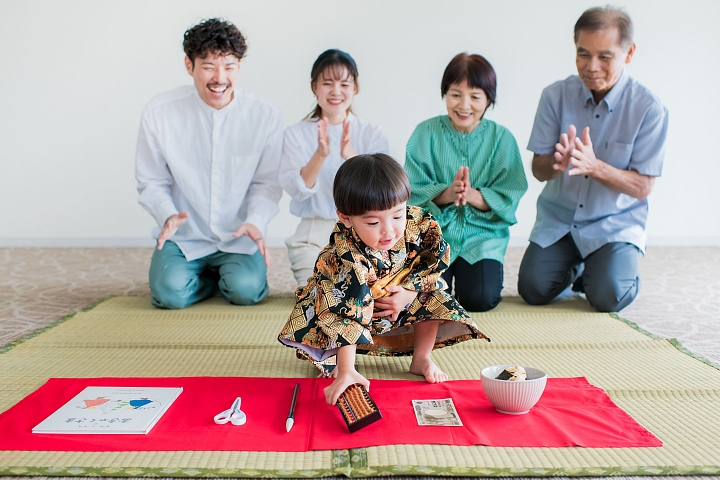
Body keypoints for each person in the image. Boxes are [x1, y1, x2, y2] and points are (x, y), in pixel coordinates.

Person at [277, 154, 488, 405]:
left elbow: (436, 260)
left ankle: (421, 358)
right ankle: (342, 360)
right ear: (346, 218)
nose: (389, 230)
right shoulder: (343, 252)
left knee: (435, 294)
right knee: (330, 327)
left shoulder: (418, 222)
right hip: (347, 309)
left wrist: (409, 292)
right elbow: (345, 307)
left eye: (397, 216)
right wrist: (347, 371)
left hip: (397, 299)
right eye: (374, 222)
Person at [517, 6, 668, 312]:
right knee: (533, 290)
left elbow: (643, 187)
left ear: (628, 53)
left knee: (609, 296)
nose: (591, 66)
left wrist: (595, 167)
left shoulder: (650, 109)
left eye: (605, 56)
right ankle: (582, 268)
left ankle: (613, 266)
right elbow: (538, 170)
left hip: (615, 224)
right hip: (559, 222)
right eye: (583, 53)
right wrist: (555, 165)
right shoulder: (554, 96)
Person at [135, 18, 283, 309]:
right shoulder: (160, 112)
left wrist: (256, 221)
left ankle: (230, 278)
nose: (220, 77)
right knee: (168, 295)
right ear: (189, 65)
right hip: (184, 236)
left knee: (247, 292)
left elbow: (267, 183)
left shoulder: (264, 115)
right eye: (208, 66)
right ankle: (208, 283)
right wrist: (167, 215)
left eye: (228, 66)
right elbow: (151, 180)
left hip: (238, 233)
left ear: (239, 66)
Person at [405, 53, 528, 312]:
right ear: (445, 94)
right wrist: (446, 194)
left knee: (480, 299)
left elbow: (511, 192)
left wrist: (473, 195)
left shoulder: (502, 138)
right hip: (435, 235)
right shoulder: (424, 133)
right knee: (429, 302)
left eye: (475, 96)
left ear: (488, 99)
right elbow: (410, 190)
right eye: (455, 94)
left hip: (483, 236)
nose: (464, 105)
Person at [279, 49, 389, 286]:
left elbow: (384, 194)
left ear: (355, 87)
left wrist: (351, 156)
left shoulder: (372, 134)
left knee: (365, 292)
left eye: (344, 84)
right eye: (327, 83)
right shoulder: (294, 134)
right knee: (318, 293)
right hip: (312, 234)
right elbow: (297, 190)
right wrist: (320, 155)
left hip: (363, 234)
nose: (336, 92)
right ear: (314, 86)